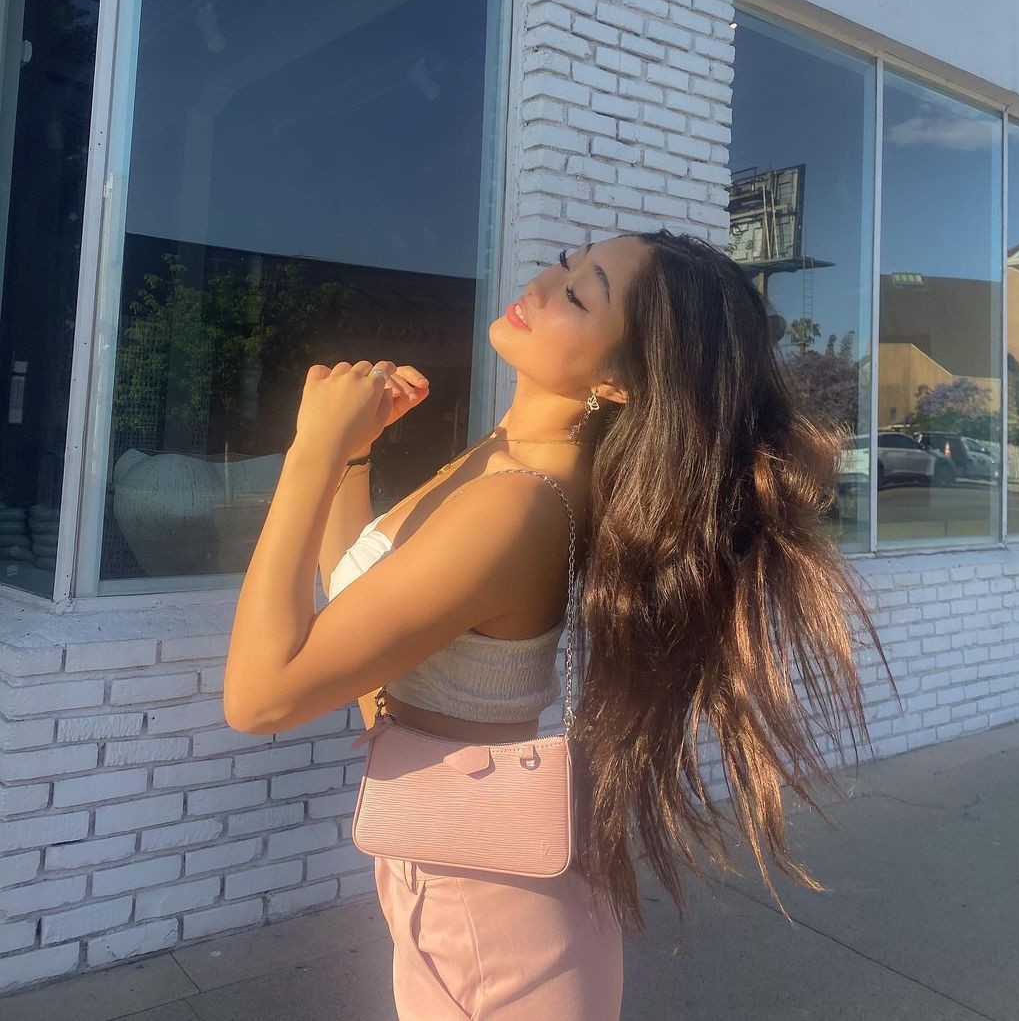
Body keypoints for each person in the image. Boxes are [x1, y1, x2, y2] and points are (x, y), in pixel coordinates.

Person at [225, 229, 894, 1019]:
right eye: (567, 263)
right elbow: (361, 607)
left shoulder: (518, 500)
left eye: (578, 295)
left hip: (492, 925)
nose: (541, 286)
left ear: (618, 382)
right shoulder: (506, 455)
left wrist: (312, 450)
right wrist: (354, 458)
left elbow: (260, 698)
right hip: (450, 874)